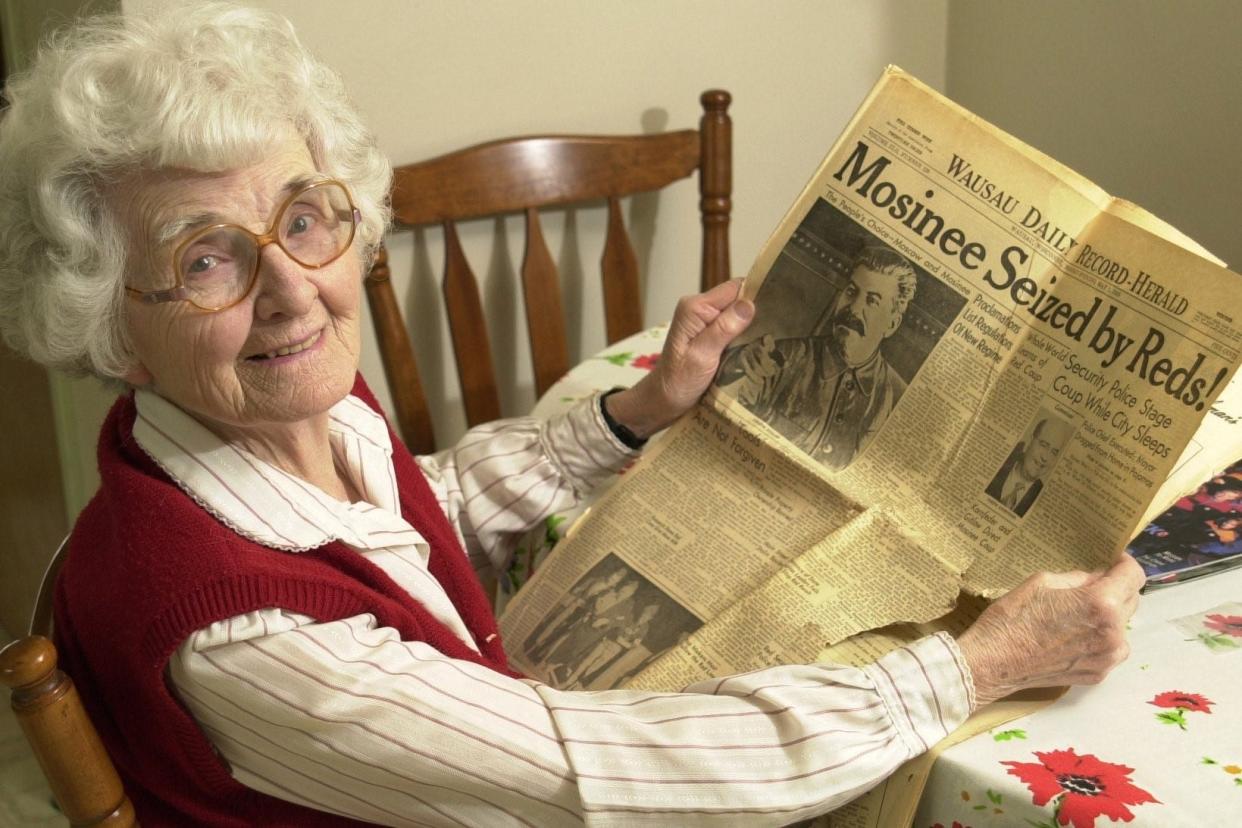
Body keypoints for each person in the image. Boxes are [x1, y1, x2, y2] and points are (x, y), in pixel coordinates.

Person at [0, 5, 1144, 826]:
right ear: (111, 317)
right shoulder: (237, 636)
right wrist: (978, 664)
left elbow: (414, 511)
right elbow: (603, 774)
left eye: (305, 218)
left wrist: (633, 416)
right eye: (206, 261)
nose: (293, 291)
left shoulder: (267, 426)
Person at [717, 245, 916, 470]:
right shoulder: (786, 356)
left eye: (872, 301)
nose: (853, 308)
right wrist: (738, 363)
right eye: (851, 292)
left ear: (891, 324)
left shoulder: (897, 398)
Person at [985, 417, 1075, 517]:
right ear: (1030, 440)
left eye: (1054, 452)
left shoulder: (1045, 498)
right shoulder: (997, 464)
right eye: (1044, 445)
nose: (1045, 457)